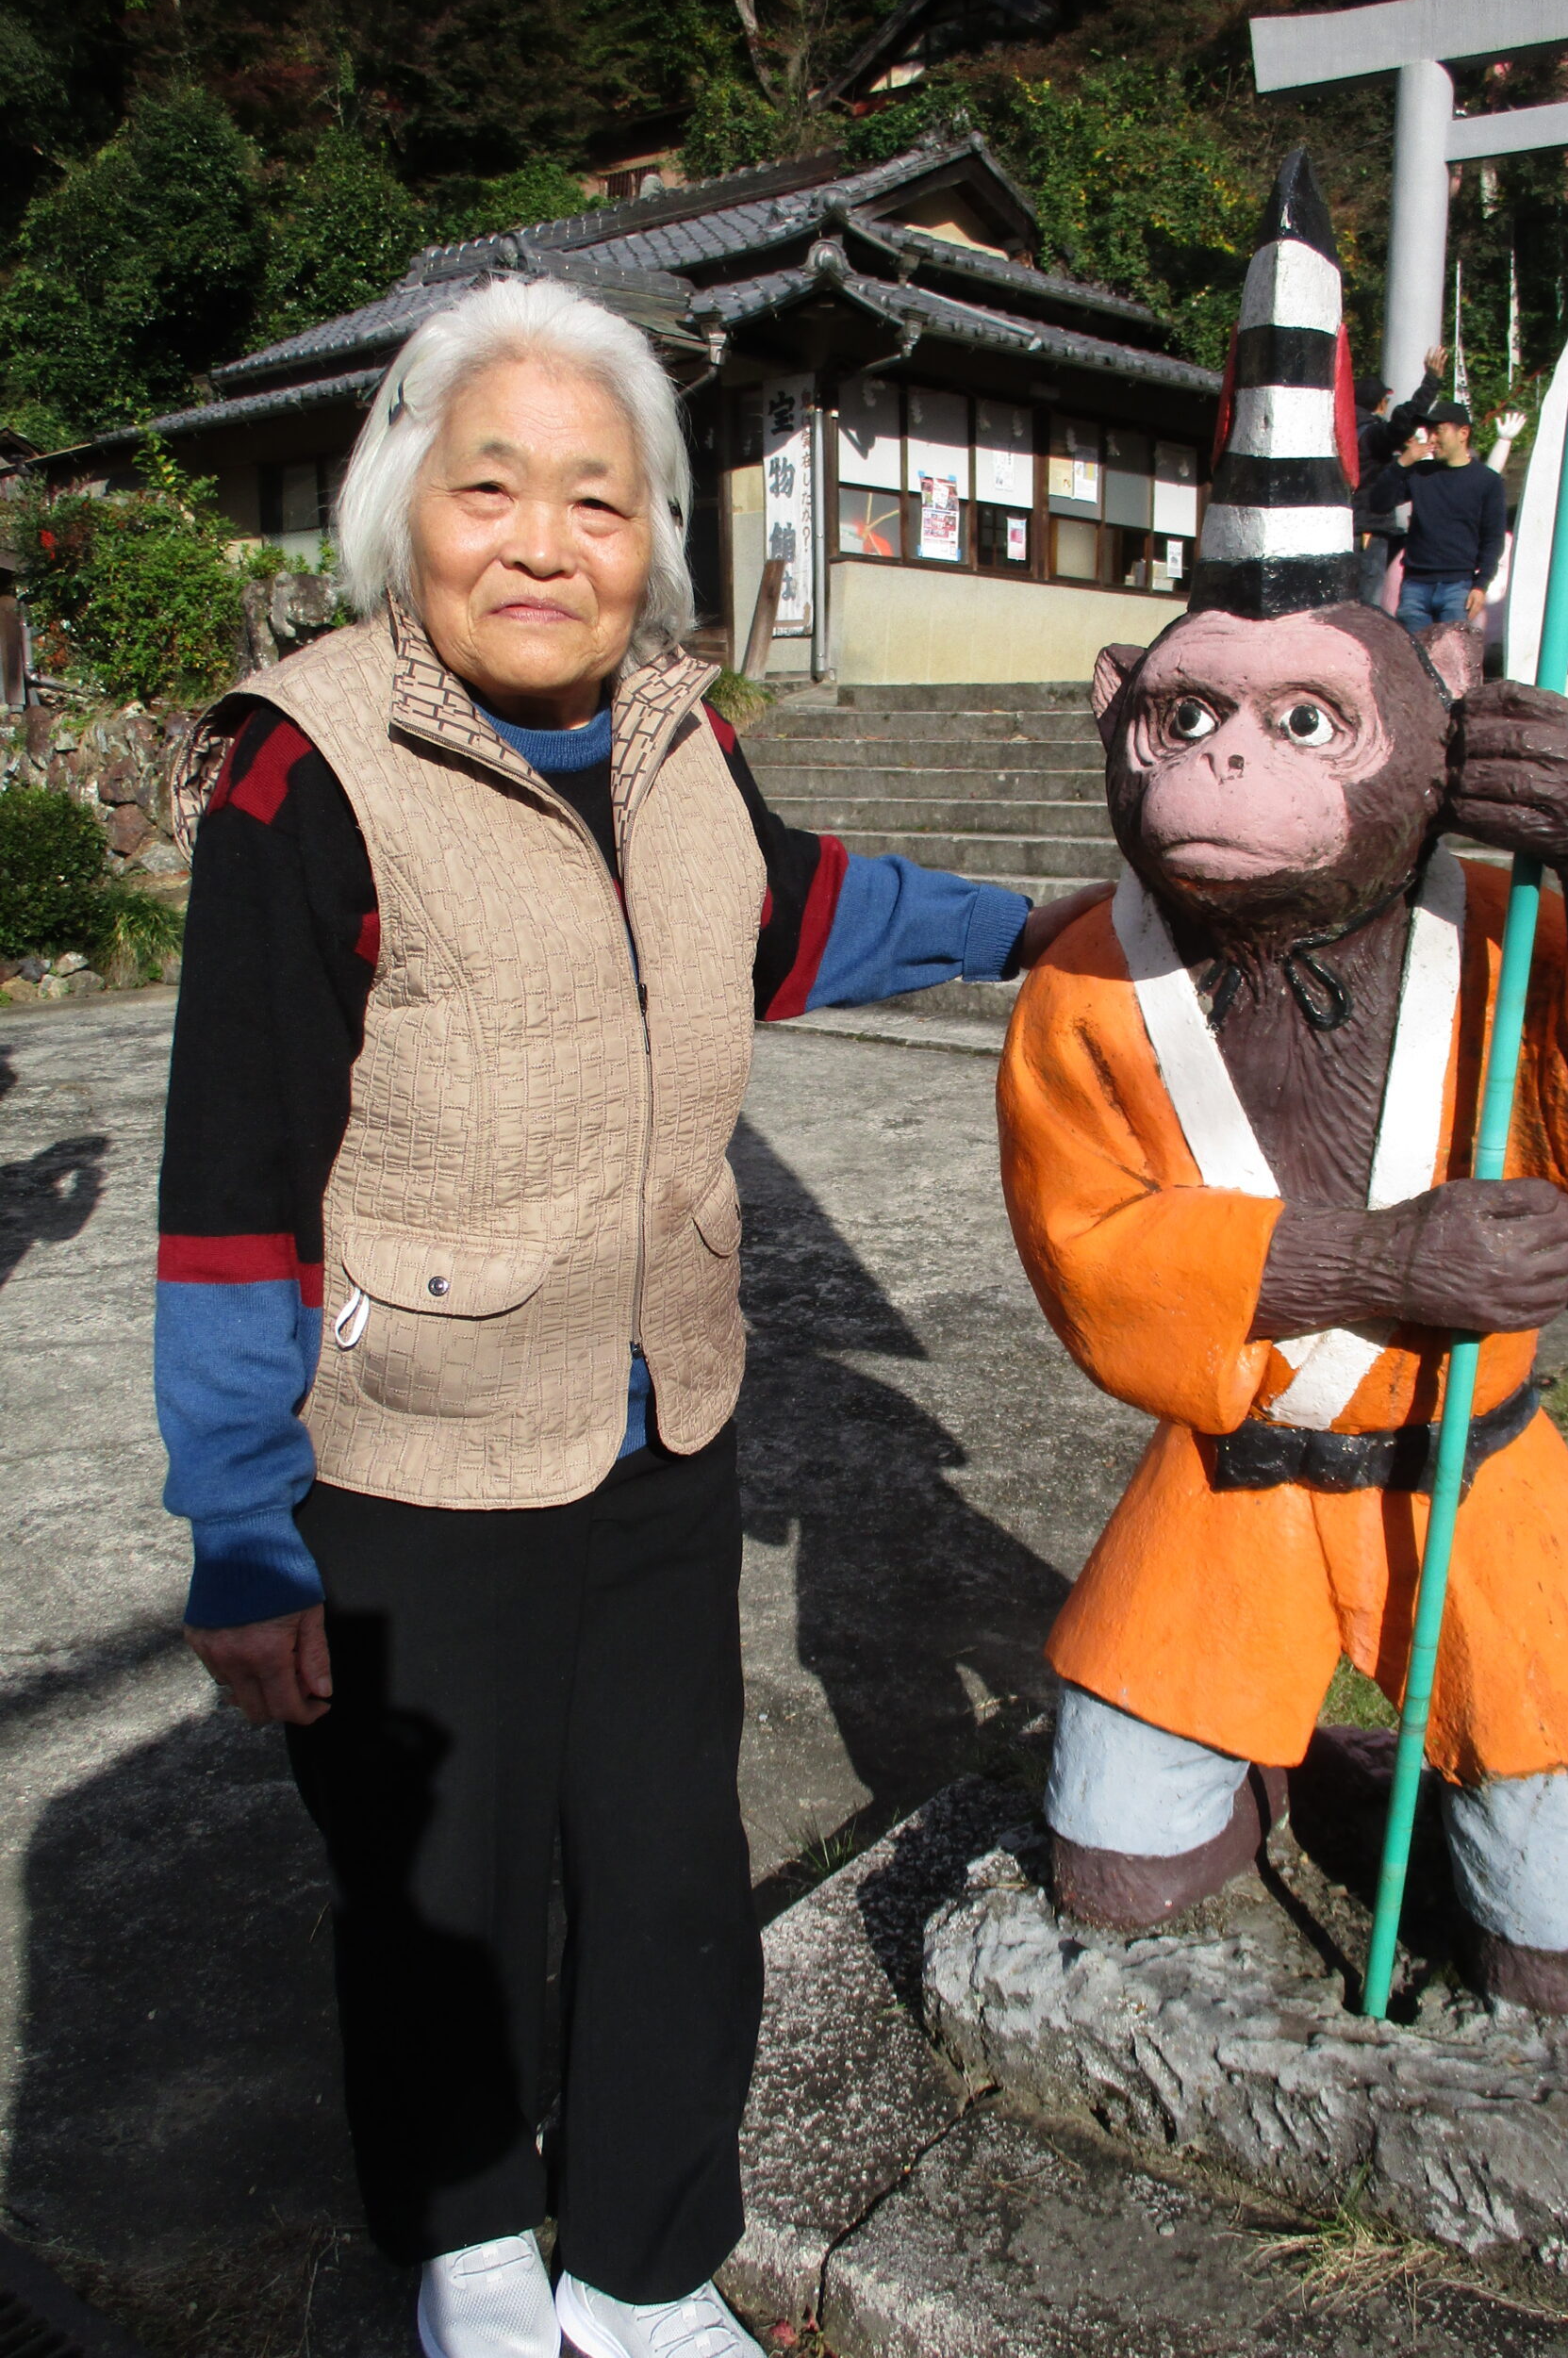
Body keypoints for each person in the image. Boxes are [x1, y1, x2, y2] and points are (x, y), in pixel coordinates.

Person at [157, 275, 1105, 2358]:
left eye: (596, 498)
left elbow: (791, 912)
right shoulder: (308, 771)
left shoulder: (680, 735)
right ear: (404, 510)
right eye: (489, 488)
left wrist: (1033, 925)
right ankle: (477, 2254)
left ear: (652, 534)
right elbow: (233, 1183)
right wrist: (239, 1523)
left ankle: (647, 2266)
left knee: (673, 1868)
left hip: (662, 1429)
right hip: (412, 1459)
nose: (542, 542)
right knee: (448, 1895)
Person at [1368, 388, 1507, 634]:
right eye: (1430, 431)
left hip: (1459, 585)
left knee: (1452, 652)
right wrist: (1401, 464)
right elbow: (1378, 503)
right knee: (1416, 652)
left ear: (1463, 433)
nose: (1432, 438)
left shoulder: (1487, 481)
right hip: (1415, 584)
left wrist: (1481, 585)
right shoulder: (1421, 474)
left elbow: (1493, 538)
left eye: (1439, 431)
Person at [1351, 352, 1444, 608]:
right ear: (1381, 403)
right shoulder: (1371, 435)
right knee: (1367, 608)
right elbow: (1403, 422)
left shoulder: (1342, 430)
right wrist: (1431, 382)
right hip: (1367, 529)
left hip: (1346, 526)